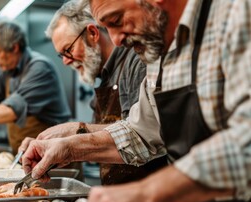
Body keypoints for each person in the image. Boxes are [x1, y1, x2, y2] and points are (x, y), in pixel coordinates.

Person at [21, 0, 251, 202]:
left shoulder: (236, 13)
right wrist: (69, 148)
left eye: (117, 20)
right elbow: (140, 133)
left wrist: (145, 194)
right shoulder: (159, 52)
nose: (116, 40)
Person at [32, 0, 167, 185]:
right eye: (61, 55)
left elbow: (142, 134)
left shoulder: (136, 60)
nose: (65, 61)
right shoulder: (104, 77)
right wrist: (60, 145)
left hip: (155, 194)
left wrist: (76, 132)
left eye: (68, 50)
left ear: (93, 33)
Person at [0, 21, 71, 155]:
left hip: (57, 157)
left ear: (14, 47)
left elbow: (14, 108)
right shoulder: (7, 73)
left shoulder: (40, 68)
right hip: (28, 156)